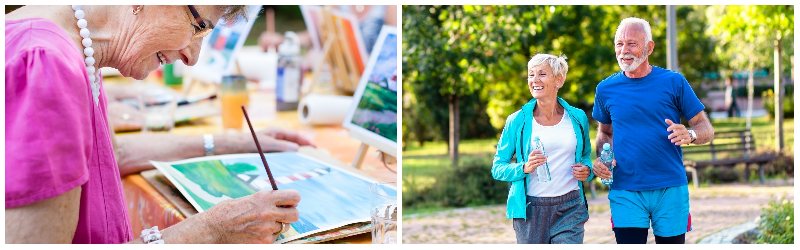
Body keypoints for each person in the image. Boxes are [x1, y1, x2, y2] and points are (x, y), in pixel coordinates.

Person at [6, 5, 300, 243]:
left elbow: (111, 155)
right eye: (199, 27)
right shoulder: (47, 65)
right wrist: (213, 230)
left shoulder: (74, 45)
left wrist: (229, 143)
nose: (192, 58)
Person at [591, 17, 715, 244]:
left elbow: (705, 127)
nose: (624, 51)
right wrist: (603, 157)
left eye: (631, 44)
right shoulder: (605, 89)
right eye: (619, 44)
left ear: (649, 47)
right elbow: (605, 133)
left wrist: (691, 134)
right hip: (625, 189)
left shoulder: (674, 82)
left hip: (670, 188)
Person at [491, 54, 593, 244]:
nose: (534, 80)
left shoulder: (578, 118)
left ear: (559, 80)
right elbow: (497, 167)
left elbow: (586, 156)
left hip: (570, 206)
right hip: (531, 210)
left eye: (542, 74)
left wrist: (586, 170)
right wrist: (524, 168)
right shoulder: (517, 121)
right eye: (531, 75)